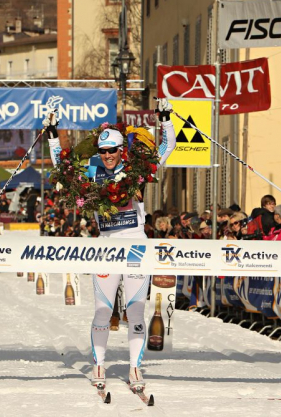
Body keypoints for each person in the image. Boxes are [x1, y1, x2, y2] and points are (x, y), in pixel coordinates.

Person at [45, 98, 176, 391]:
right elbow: (63, 169)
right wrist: (53, 134)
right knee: (103, 311)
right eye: (102, 151)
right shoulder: (91, 170)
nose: (107, 156)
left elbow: (167, 149)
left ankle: (134, 369)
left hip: (136, 247)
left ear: (121, 150)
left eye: (112, 151)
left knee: (136, 311)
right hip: (105, 247)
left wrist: (164, 118)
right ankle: (99, 365)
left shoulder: (137, 169)